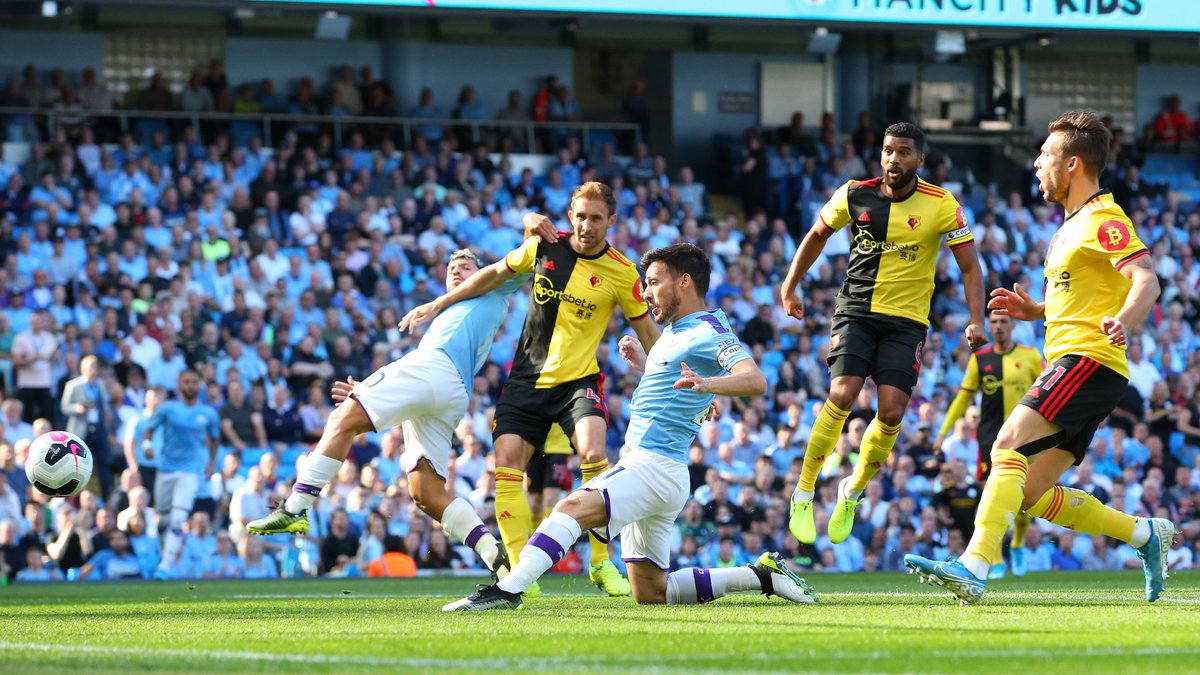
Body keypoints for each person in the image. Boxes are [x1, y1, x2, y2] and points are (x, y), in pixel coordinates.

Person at [444, 244, 816, 611]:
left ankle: (508, 589)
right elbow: (676, 381)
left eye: (653, 282)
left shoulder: (709, 330)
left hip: (652, 466)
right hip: (663, 471)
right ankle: (761, 577)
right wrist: (648, 364)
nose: (646, 293)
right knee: (651, 591)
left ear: (684, 281)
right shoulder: (678, 330)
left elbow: (754, 379)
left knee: (571, 506)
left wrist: (708, 385)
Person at [905, 111, 1176, 604]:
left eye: (1046, 154)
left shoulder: (1104, 218)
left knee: (1007, 443)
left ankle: (974, 564)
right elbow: (1082, 292)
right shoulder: (1068, 227)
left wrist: (1124, 320)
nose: (1036, 163)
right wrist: (1036, 310)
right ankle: (1142, 534)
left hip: (1087, 359)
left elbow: (1146, 280)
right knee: (1030, 493)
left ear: (1072, 164)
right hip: (1085, 365)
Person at [402, 181, 660, 598]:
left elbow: (649, 334)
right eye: (580, 216)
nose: (586, 225)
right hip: (526, 381)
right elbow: (493, 274)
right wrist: (438, 303)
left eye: (596, 218)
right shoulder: (544, 246)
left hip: (577, 382)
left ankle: (600, 562)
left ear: (611, 221)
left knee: (594, 452)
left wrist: (683, 381)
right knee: (507, 464)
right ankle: (521, 571)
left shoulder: (622, 272)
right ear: (570, 215)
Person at [248, 249, 520, 582]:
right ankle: (498, 559)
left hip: (436, 369)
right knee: (425, 492)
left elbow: (522, 258)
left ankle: (295, 507)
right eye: (451, 268)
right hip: (450, 392)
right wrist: (366, 390)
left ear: (480, 271)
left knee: (341, 420)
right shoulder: (454, 310)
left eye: (465, 267)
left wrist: (532, 226)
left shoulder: (495, 288)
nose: (456, 271)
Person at [781, 122, 987, 546]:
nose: (894, 159)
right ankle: (803, 491)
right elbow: (817, 235)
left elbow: (969, 266)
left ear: (920, 159)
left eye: (904, 152)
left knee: (891, 412)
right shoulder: (854, 193)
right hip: (856, 310)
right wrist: (790, 284)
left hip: (907, 321)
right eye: (888, 151)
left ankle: (852, 490)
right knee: (842, 394)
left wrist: (976, 319)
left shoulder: (942, 204)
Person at [935, 312, 1044, 578]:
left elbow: (1048, 391)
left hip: (1025, 435)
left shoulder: (1030, 355)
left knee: (1024, 496)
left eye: (1003, 321)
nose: (998, 326)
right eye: (993, 322)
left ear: (1013, 325)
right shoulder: (980, 358)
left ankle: (1017, 545)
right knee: (990, 497)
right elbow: (963, 398)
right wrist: (942, 433)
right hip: (990, 439)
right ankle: (995, 559)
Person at [141, 370, 220, 580]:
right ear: (179, 384)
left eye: (194, 382)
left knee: (178, 518)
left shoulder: (208, 414)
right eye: (186, 382)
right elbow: (149, 429)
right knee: (163, 520)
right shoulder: (167, 409)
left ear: (199, 385)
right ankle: (162, 555)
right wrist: (147, 445)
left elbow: (215, 439)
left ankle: (166, 565)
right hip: (166, 470)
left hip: (190, 472)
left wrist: (211, 462)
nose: (190, 385)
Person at [61, 355, 116, 496]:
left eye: (95, 367)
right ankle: (79, 496)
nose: (93, 370)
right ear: (82, 369)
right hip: (82, 430)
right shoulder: (73, 385)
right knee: (80, 465)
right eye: (90, 367)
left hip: (99, 429)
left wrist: (107, 412)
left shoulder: (100, 384)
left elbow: (104, 403)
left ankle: (106, 495)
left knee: (103, 463)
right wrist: (77, 408)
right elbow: (64, 406)